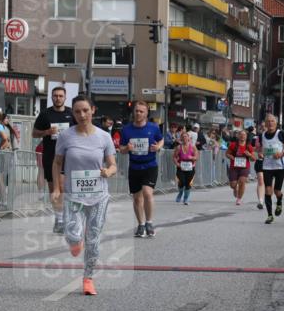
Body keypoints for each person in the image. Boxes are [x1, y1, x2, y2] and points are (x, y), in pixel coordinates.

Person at [51, 94, 118, 296]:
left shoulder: (104, 136)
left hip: (98, 196)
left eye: (85, 110)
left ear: (92, 111)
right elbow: (57, 163)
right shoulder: (66, 136)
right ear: (73, 113)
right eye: (77, 111)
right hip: (74, 195)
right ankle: (74, 241)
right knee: (72, 234)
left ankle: (88, 278)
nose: (82, 115)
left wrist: (109, 171)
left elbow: (113, 164)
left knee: (93, 239)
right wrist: (56, 188)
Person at [32, 86, 75, 233]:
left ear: (65, 97)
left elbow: (81, 131)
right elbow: (34, 133)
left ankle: (65, 218)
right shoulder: (45, 114)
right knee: (53, 189)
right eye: (55, 96)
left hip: (68, 156)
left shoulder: (71, 113)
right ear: (51, 97)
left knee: (62, 187)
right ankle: (59, 218)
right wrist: (47, 132)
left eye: (60, 96)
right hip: (50, 155)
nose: (58, 98)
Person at [119, 101, 164, 238]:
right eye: (136, 111)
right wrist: (127, 149)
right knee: (137, 198)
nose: (138, 113)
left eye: (141, 111)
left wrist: (158, 147)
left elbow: (161, 140)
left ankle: (149, 222)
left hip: (150, 165)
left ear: (146, 113)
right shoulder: (126, 130)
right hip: (134, 166)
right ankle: (141, 224)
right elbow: (121, 149)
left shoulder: (154, 127)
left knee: (147, 193)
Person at [259, 114, 284, 224]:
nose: (270, 123)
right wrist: (260, 154)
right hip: (267, 166)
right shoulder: (262, 135)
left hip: (279, 166)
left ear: (276, 123)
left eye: (272, 121)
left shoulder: (281, 134)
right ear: (265, 123)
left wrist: (282, 153)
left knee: (277, 191)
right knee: (268, 190)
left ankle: (279, 201)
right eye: (268, 121)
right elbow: (260, 149)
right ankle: (269, 215)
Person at [226, 129, 255, 206]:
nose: (242, 136)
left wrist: (249, 155)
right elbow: (227, 154)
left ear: (246, 137)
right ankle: (235, 188)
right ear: (238, 136)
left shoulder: (249, 146)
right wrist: (231, 157)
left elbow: (253, 159)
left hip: (244, 167)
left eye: (244, 135)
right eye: (241, 134)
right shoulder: (233, 145)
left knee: (242, 181)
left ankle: (239, 199)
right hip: (234, 167)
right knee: (233, 185)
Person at [172, 130, 199, 205]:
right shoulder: (178, 147)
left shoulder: (193, 147)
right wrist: (177, 164)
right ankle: (180, 193)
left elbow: (197, 156)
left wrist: (192, 158)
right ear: (181, 138)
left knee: (188, 184)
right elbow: (174, 157)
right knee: (182, 182)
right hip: (181, 168)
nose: (184, 138)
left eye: (186, 136)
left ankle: (186, 199)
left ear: (188, 138)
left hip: (190, 168)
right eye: (183, 137)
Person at [247, 126, 265, 210]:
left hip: (271, 163)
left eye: (265, 127)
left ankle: (266, 198)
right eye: (262, 128)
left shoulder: (275, 137)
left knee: (268, 183)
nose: (264, 129)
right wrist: (258, 151)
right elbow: (250, 148)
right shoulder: (256, 138)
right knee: (260, 180)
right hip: (260, 161)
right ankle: (260, 201)